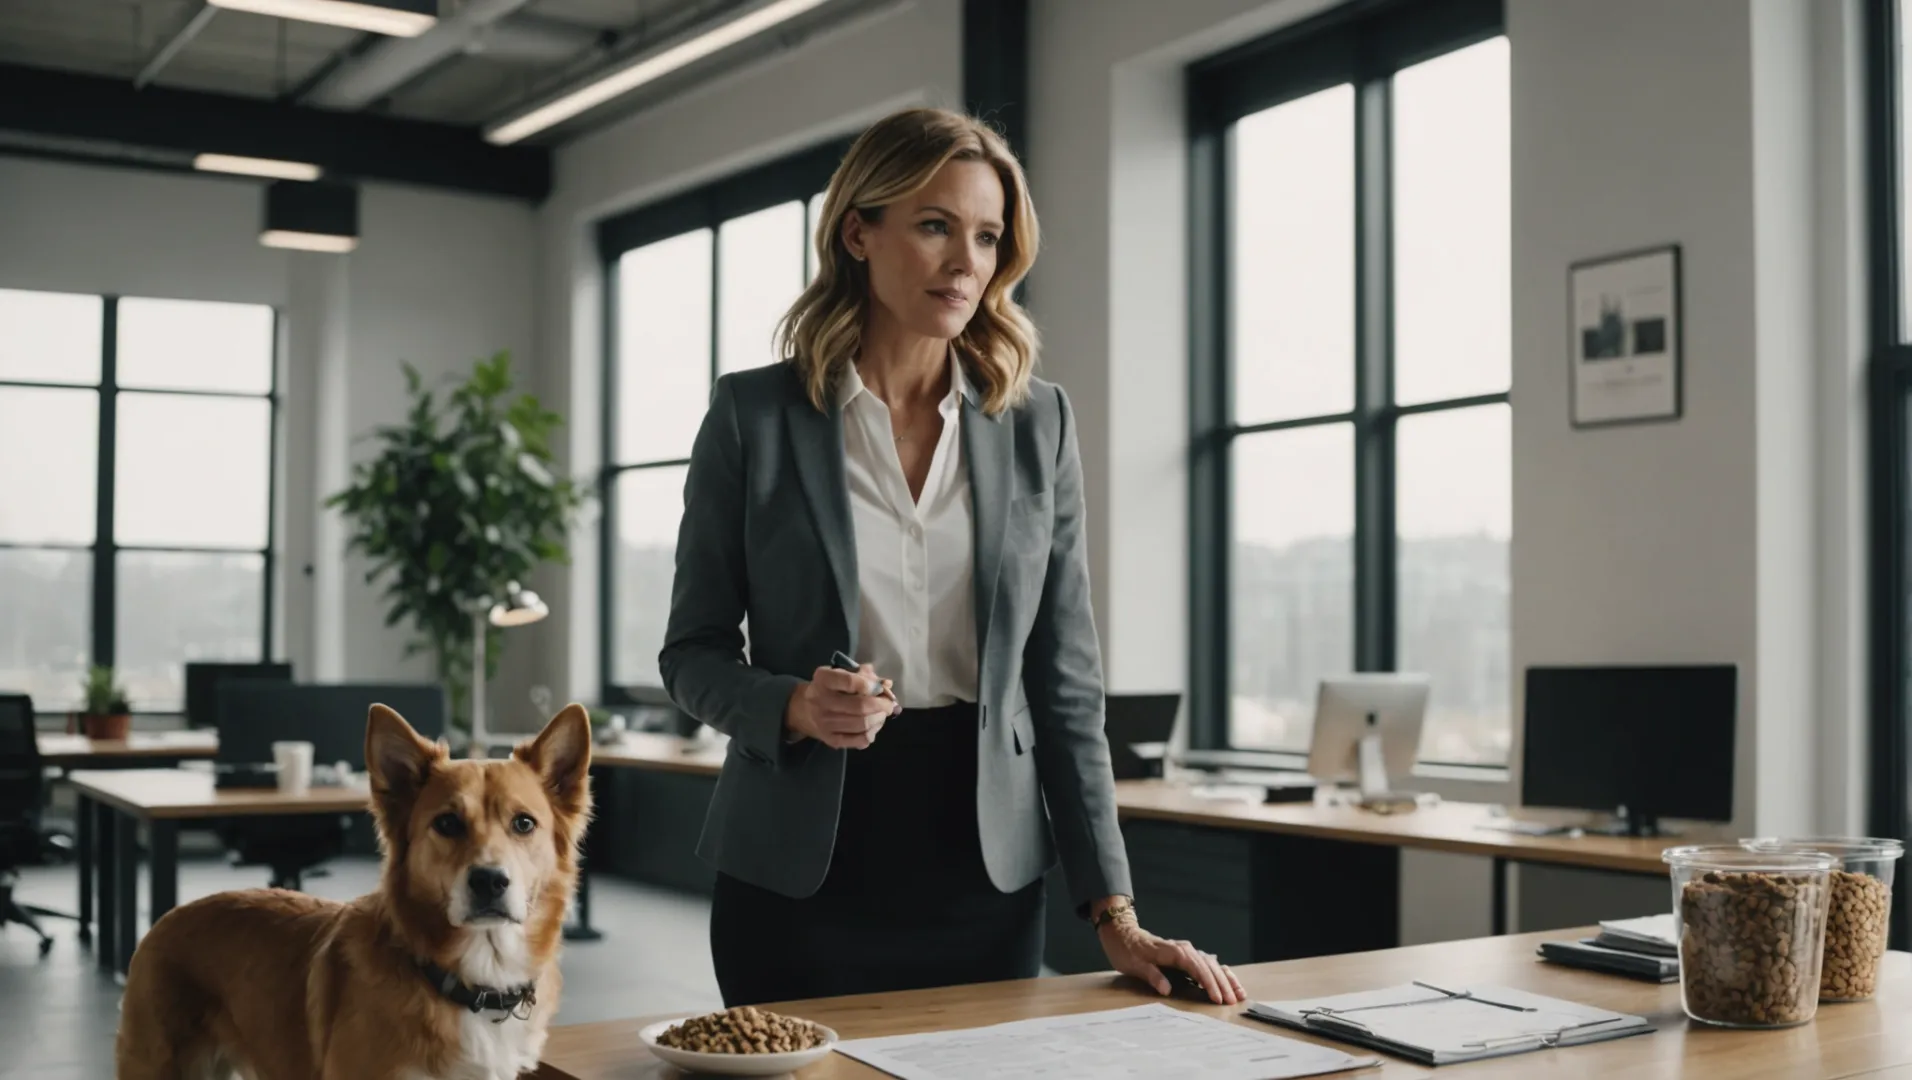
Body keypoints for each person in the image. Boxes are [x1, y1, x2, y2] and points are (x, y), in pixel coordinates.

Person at [659, 106, 1243, 1008]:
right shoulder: (753, 417)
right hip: (795, 870)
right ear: (859, 230)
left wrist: (1114, 911)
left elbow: (1064, 683)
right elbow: (690, 653)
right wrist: (793, 707)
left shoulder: (1037, 422)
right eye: (935, 226)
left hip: (981, 871)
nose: (967, 261)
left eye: (987, 235)